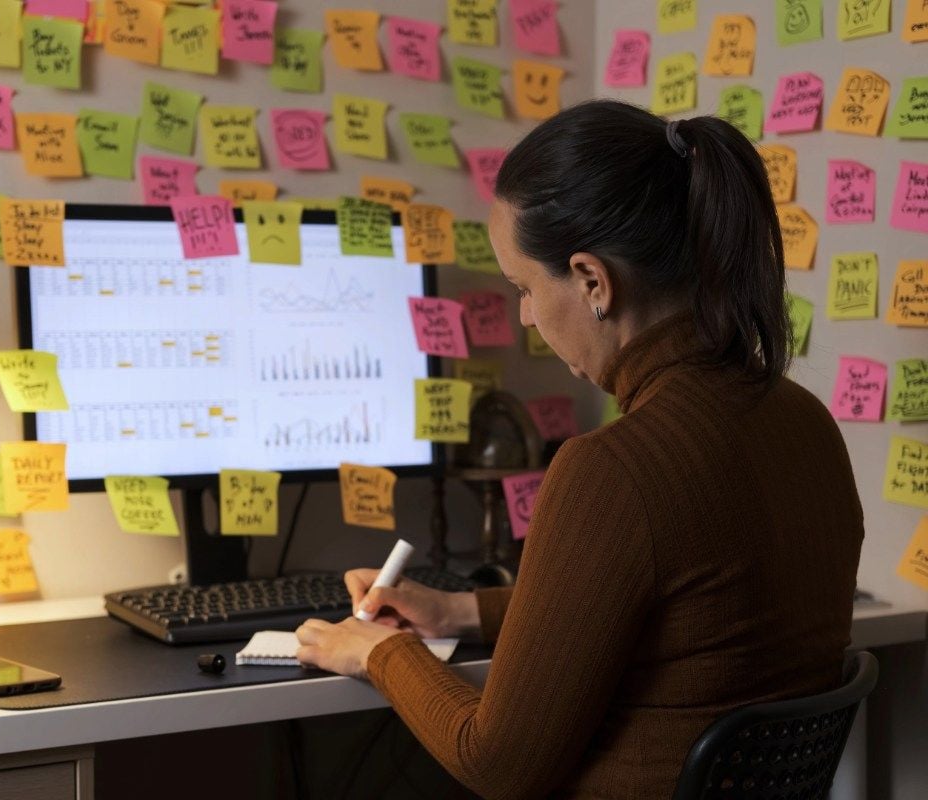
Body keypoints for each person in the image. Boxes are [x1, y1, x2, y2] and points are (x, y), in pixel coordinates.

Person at [295, 100, 864, 799]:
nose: (527, 317)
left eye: (526, 288)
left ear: (593, 282)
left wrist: (383, 652)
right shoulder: (805, 422)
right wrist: (456, 613)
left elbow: (497, 765)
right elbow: (671, 614)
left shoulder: (614, 471)